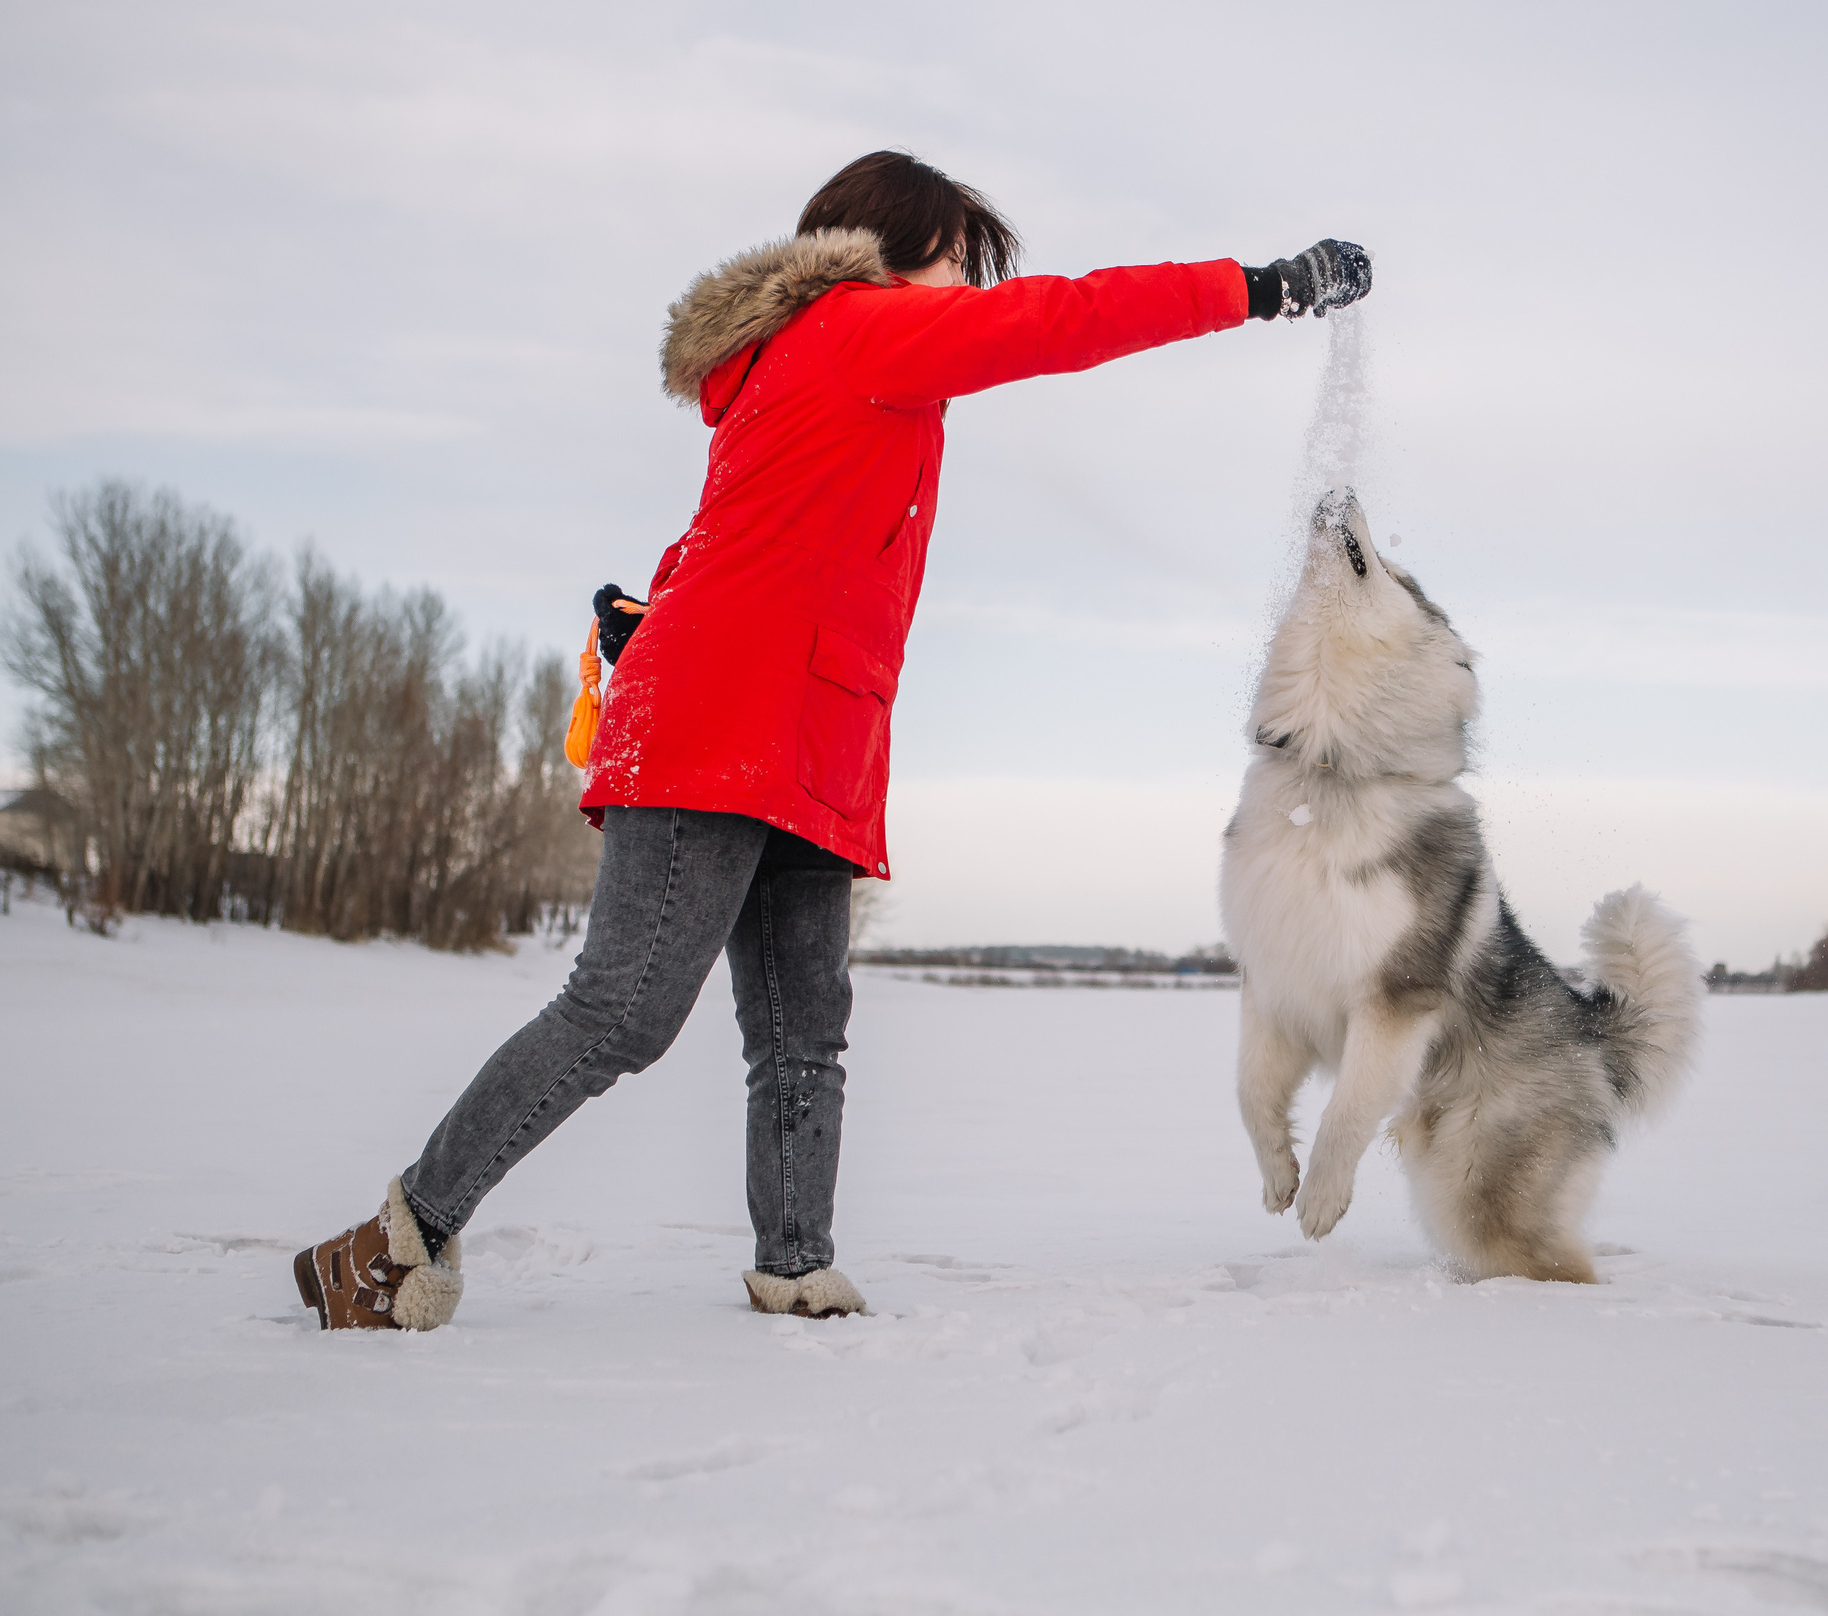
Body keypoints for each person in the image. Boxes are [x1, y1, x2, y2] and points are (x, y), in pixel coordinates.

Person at [292, 151, 1372, 1329]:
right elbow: (1062, 319)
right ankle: (398, 1238)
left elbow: (742, 523)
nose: (969, 283)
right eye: (959, 256)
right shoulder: (857, 327)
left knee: (805, 1031)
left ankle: (794, 1264)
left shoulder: (826, 365)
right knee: (624, 1010)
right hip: (725, 726)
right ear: (895, 243)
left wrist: (661, 605)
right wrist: (1261, 287)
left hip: (814, 736)